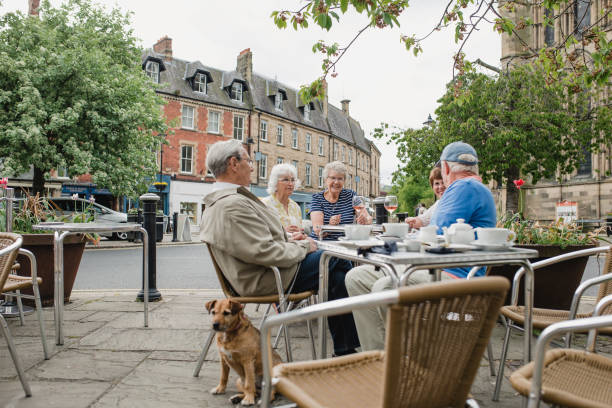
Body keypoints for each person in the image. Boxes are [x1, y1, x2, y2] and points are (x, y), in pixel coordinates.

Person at [200, 140, 359, 356]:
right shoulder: (231, 204)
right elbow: (264, 252)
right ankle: (351, 341)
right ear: (233, 164)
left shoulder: (229, 199)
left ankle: (345, 348)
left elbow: (261, 243)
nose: (253, 166)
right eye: (248, 160)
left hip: (267, 270)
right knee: (335, 259)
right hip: (266, 277)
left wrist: (293, 240)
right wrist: (304, 247)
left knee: (336, 271)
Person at [344, 141, 496, 351]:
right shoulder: (472, 188)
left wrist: (400, 243)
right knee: (356, 277)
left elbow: (435, 236)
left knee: (385, 287)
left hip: (455, 277)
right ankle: (379, 357)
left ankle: (404, 363)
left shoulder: (464, 187)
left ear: (446, 168)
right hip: (437, 269)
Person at [309, 161, 372, 240]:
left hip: (344, 243)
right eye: (333, 178)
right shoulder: (317, 198)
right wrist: (330, 226)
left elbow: (368, 218)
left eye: (340, 179)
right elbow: (317, 231)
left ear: (344, 181)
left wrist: (365, 221)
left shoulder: (351, 195)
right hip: (322, 244)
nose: (336, 182)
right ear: (326, 179)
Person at [262, 163, 303, 235]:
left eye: (293, 180)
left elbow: (300, 231)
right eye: (286, 180)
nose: (290, 184)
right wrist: (282, 231)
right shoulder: (264, 204)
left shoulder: (296, 207)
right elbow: (260, 232)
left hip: (295, 245)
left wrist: (300, 232)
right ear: (275, 182)